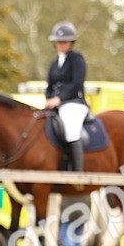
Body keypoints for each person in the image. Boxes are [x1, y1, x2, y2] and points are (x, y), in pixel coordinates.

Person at [44, 21, 88, 173]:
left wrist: (60, 98)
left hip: (74, 103)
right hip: (56, 104)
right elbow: (49, 86)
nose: (62, 45)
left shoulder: (77, 59)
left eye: (65, 42)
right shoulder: (54, 63)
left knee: (71, 130)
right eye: (59, 42)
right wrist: (49, 98)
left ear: (71, 43)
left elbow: (77, 83)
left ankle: (77, 171)